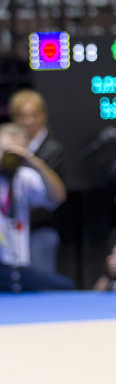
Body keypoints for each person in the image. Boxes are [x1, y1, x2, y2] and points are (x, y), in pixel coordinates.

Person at [0, 122, 72, 292]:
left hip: (18, 265)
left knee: (64, 286)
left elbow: (58, 197)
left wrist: (33, 161)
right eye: (5, 152)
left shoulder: (24, 177)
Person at [8, 89, 66, 275]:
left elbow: (56, 197)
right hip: (8, 229)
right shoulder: (7, 148)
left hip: (39, 227)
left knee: (41, 281)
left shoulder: (52, 150)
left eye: (35, 115)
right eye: (23, 116)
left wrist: (31, 160)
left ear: (44, 116)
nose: (29, 121)